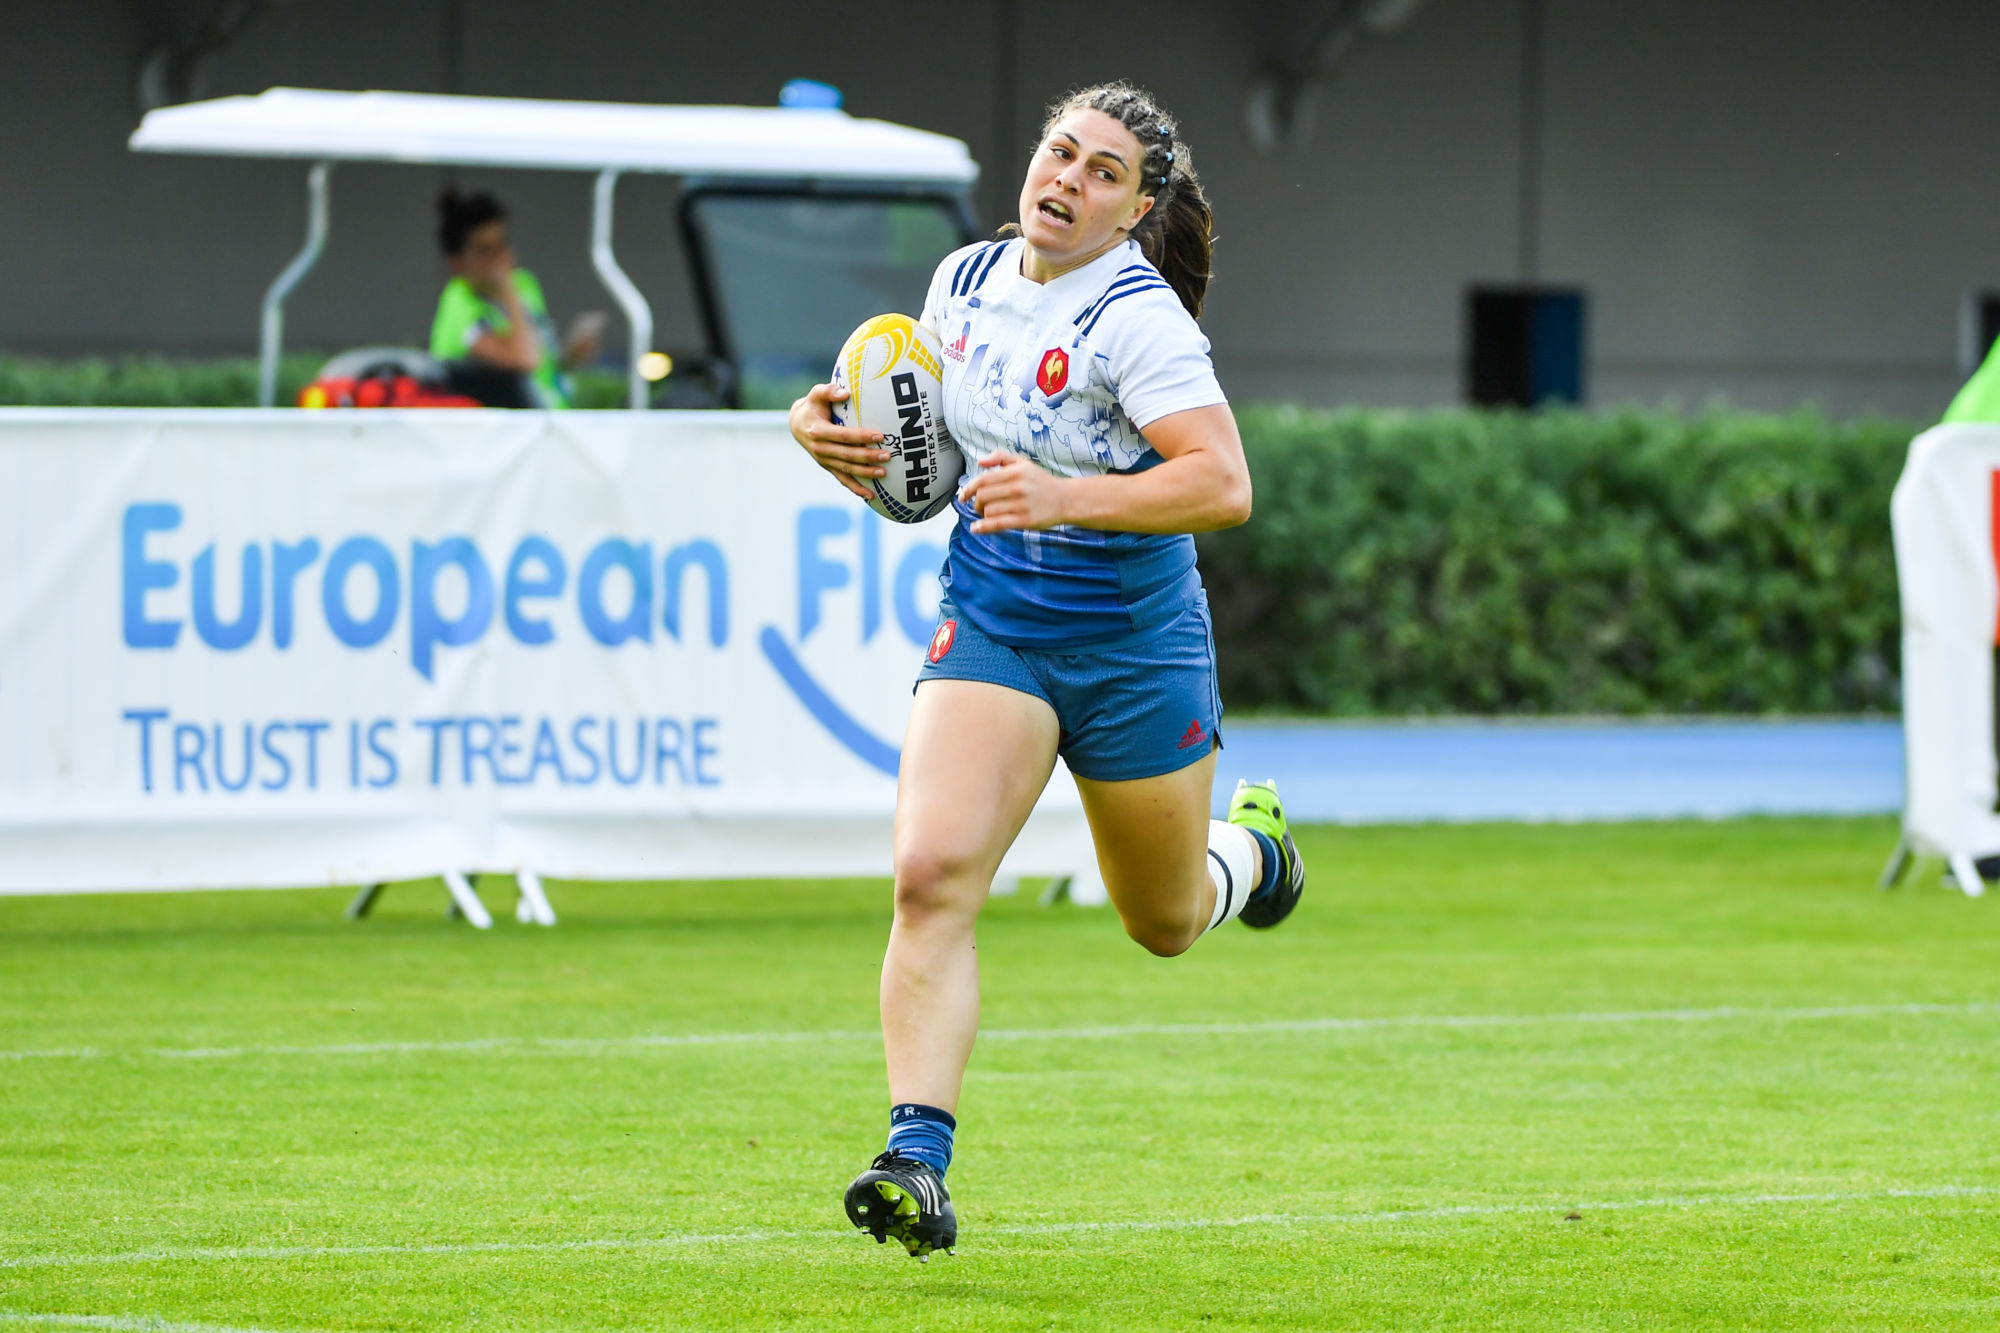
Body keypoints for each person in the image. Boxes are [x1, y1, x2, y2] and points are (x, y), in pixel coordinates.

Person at [788, 81, 1307, 1261]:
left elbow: (1222, 483)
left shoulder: (1137, 318)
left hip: (1131, 643)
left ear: (1132, 212)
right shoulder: (962, 281)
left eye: (1102, 172)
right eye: (1059, 152)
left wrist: (1065, 496)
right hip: (995, 621)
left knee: (1162, 922)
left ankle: (1252, 852)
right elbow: (921, 463)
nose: (1067, 179)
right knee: (928, 875)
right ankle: (914, 1160)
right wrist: (822, 436)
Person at [429, 190, 605, 408]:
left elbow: (542, 365)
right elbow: (525, 360)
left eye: (502, 243)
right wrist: (507, 290)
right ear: (456, 262)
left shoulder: (525, 284)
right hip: (502, 426)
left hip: (551, 415)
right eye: (485, 250)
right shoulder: (459, 302)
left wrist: (570, 358)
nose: (499, 258)